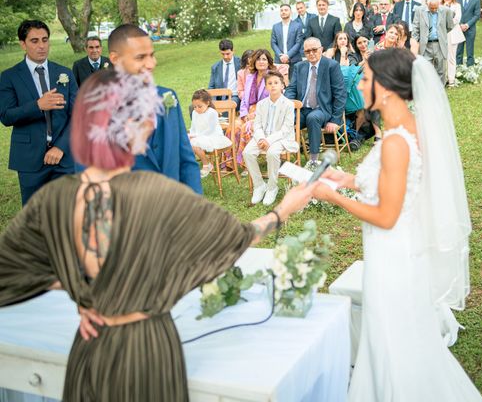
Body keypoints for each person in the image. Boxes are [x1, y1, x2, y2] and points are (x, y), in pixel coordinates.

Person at [0, 68, 315, 401]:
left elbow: (9, 270)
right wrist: (285, 209)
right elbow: (240, 237)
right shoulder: (161, 195)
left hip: (90, 352)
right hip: (148, 351)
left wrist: (84, 293)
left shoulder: (53, 198)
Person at [310, 49, 482, 400]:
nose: (359, 85)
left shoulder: (394, 142)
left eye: (366, 79)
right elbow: (395, 182)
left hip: (392, 257)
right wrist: (347, 180)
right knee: (404, 338)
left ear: (386, 88)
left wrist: (334, 197)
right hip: (405, 252)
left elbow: (387, 215)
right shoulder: (406, 128)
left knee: (391, 339)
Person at [108, 24, 202, 194]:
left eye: (152, 55)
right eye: (140, 57)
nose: (151, 64)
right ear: (115, 59)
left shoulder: (168, 97)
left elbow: (186, 160)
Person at [0, 19, 78, 206]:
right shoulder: (9, 76)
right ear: (22, 44)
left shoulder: (64, 73)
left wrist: (61, 147)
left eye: (45, 40)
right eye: (34, 41)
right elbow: (6, 116)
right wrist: (38, 105)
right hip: (29, 158)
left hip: (64, 158)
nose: (42, 46)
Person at [285, 37, 346, 166]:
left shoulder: (331, 65)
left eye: (314, 50)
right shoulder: (299, 66)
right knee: (288, 119)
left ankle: (313, 160)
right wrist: (288, 103)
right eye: (307, 51)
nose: (311, 53)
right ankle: (286, 156)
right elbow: (291, 88)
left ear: (321, 49)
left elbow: (340, 94)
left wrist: (335, 120)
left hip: (322, 109)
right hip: (302, 109)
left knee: (313, 118)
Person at [243, 71, 298, 206]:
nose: (273, 86)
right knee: (247, 152)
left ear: (282, 85)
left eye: (276, 83)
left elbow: (286, 129)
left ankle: (272, 187)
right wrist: (262, 138)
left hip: (281, 138)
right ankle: (259, 185)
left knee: (272, 152)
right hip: (262, 137)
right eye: (269, 83)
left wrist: (269, 140)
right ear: (266, 87)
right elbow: (257, 125)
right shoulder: (261, 104)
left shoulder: (288, 104)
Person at [233, 50, 278, 164]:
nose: (261, 61)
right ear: (254, 61)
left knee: (247, 127)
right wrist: (243, 114)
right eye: (258, 59)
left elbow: (274, 101)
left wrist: (255, 114)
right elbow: (243, 99)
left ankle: (245, 162)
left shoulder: (273, 78)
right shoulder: (250, 77)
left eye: (264, 59)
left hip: (267, 115)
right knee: (233, 127)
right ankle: (230, 163)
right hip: (248, 112)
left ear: (268, 62)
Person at [412, 0, 454, 85]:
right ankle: (428, 89)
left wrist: (441, 34)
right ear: (427, 4)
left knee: (441, 69)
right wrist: (415, 42)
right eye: (432, 8)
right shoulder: (419, 10)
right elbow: (415, 27)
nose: (434, 10)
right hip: (425, 44)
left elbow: (450, 26)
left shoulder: (446, 11)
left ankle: (440, 90)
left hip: (440, 44)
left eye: (436, 8)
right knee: (426, 69)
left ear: (439, 4)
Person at [189, 89, 232, 178]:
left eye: (199, 106)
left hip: (213, 136)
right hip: (200, 136)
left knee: (194, 144)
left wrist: (196, 136)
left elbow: (210, 130)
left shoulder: (212, 113)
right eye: (194, 106)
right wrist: (192, 135)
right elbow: (193, 127)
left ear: (207, 103)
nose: (197, 109)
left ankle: (206, 164)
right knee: (187, 142)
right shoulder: (194, 112)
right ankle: (190, 166)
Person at [208, 39, 241, 108]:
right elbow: (211, 87)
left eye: (228, 54)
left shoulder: (240, 63)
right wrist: (212, 102)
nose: (225, 57)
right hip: (219, 97)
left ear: (233, 51)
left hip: (235, 96)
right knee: (194, 106)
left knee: (226, 106)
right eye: (223, 54)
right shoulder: (215, 67)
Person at [271, 3, 304, 69]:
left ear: (290, 12)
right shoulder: (275, 27)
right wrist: (280, 55)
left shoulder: (298, 26)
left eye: (286, 10)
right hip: (279, 60)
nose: (283, 12)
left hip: (294, 60)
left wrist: (287, 55)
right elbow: (273, 43)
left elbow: (298, 43)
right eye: (281, 10)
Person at [457, 0, 481, 67]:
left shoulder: (476, 0)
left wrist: (467, 25)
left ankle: (470, 68)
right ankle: (458, 68)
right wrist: (459, 25)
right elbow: (454, 14)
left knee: (470, 50)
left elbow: (477, 15)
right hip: (458, 28)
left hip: (470, 29)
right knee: (458, 50)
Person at [442, 0, 463, 86]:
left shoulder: (457, 6)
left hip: (453, 33)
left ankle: (451, 80)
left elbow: (457, 19)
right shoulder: (440, 6)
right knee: (443, 57)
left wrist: (448, 10)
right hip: (443, 34)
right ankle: (444, 78)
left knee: (451, 57)